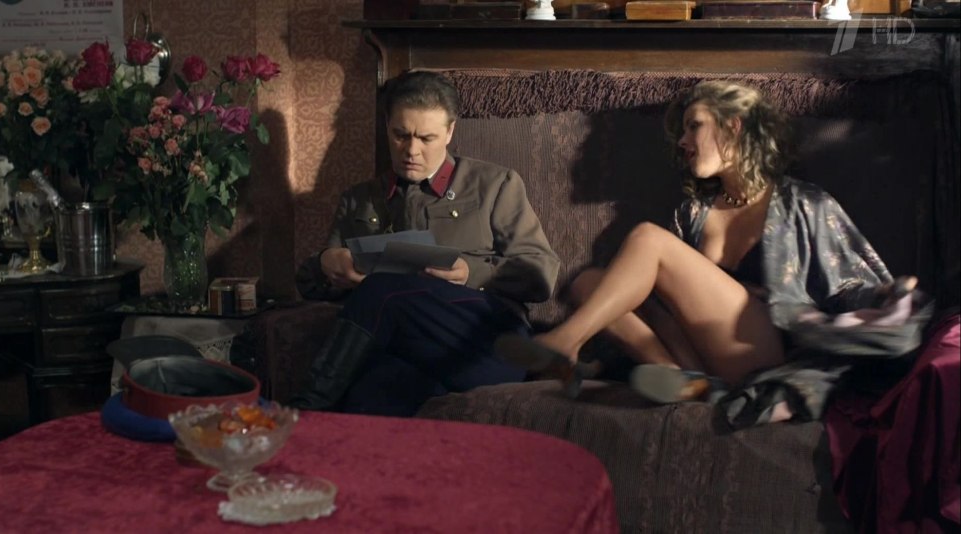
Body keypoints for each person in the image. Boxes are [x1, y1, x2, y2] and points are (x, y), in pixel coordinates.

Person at [497, 80, 919, 422]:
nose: (683, 142)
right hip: (698, 351)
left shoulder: (803, 204)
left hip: (762, 350)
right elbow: (657, 297)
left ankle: (564, 343)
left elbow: (848, 284)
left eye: (693, 126)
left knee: (647, 239)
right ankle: (682, 381)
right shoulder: (693, 213)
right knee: (589, 282)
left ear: (733, 126)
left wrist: (885, 296)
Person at [291, 71, 561, 415]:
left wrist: (472, 272)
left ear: (449, 132)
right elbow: (308, 285)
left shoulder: (495, 184)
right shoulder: (361, 198)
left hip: (485, 341)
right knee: (370, 395)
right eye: (400, 135)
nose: (411, 151)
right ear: (387, 126)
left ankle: (304, 411)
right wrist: (325, 264)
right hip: (412, 349)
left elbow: (541, 274)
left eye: (426, 138)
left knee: (382, 288)